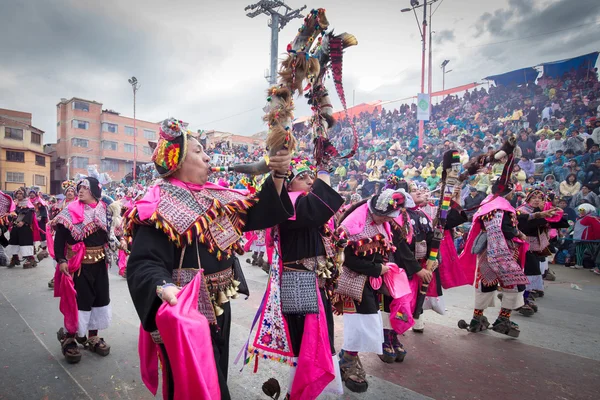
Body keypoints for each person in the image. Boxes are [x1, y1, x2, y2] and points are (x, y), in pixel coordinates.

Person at [126, 118, 293, 400]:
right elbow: (144, 263)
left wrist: (277, 175)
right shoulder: (159, 203)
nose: (206, 157)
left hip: (219, 304)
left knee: (216, 374)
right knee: (199, 382)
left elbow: (259, 212)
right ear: (177, 161)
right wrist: (164, 286)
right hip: (185, 309)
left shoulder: (216, 196)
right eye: (198, 151)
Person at [252, 156, 345, 398]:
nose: (309, 180)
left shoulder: (301, 204)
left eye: (309, 175)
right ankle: (298, 391)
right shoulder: (289, 207)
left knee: (319, 339)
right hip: (298, 281)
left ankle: (303, 390)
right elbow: (318, 208)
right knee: (306, 341)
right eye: (300, 177)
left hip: (313, 281)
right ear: (288, 186)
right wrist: (323, 171)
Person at [334, 188, 405, 393]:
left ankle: (348, 358)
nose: (386, 219)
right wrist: (376, 269)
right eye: (384, 215)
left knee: (368, 323)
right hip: (353, 282)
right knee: (360, 324)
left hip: (372, 280)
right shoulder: (351, 226)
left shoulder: (383, 225)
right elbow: (348, 259)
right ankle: (348, 360)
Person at [52, 177, 123, 364]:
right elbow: (59, 238)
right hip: (78, 265)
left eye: (85, 188)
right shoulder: (70, 211)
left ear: (94, 191)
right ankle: (70, 337)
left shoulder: (105, 210)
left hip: (100, 263)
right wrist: (61, 260)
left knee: (99, 299)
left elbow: (109, 235)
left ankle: (92, 336)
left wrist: (119, 241)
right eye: (79, 188)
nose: (80, 191)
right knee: (79, 302)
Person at [459, 163, 530, 338]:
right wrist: (519, 234)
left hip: (486, 251)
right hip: (502, 251)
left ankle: (477, 318)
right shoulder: (501, 207)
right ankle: (503, 319)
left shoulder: (488, 204)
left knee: (486, 283)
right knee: (514, 283)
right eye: (512, 191)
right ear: (508, 191)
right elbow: (505, 230)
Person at [517, 189, 564, 309]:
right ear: (528, 199)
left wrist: (557, 215)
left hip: (536, 247)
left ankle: (523, 298)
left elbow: (557, 225)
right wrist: (540, 214)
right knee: (531, 272)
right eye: (534, 197)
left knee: (531, 273)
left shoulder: (543, 211)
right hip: (523, 246)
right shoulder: (522, 211)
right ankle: (521, 300)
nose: (537, 200)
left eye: (540, 198)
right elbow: (526, 227)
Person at [7, 187, 37, 268]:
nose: (19, 195)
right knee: (13, 241)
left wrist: (23, 222)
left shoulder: (28, 202)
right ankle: (15, 258)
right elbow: (11, 213)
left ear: (24, 194)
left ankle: (31, 259)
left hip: (25, 227)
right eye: (17, 193)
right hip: (15, 226)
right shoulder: (14, 203)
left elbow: (30, 213)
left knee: (25, 242)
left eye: (20, 193)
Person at [572, 203, 600, 269]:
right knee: (579, 251)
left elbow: (597, 228)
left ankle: (597, 267)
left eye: (583, 210)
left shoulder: (591, 218)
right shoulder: (579, 218)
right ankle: (579, 264)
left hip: (588, 238)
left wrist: (597, 238)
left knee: (593, 252)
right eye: (580, 210)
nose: (581, 212)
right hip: (579, 238)